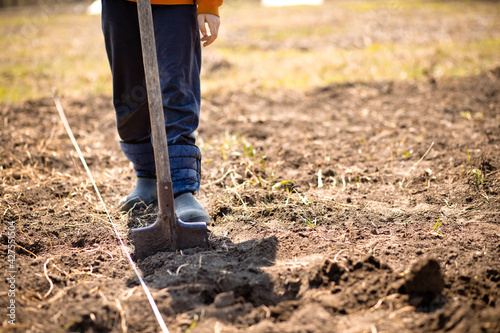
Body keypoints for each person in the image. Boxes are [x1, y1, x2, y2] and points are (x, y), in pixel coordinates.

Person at [101, 0, 222, 222]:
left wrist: (209, 5)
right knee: (130, 92)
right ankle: (146, 176)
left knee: (177, 86)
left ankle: (180, 189)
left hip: (175, 2)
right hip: (120, 5)